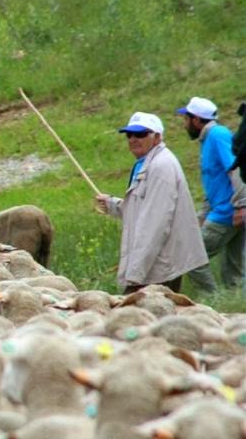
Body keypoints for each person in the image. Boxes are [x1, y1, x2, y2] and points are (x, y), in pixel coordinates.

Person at [94, 112, 208, 294]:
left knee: (135, 318)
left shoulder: (161, 167)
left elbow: (155, 224)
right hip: (153, 264)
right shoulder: (146, 163)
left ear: (157, 137)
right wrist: (112, 204)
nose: (133, 139)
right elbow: (141, 209)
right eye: (129, 135)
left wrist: (136, 274)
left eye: (140, 134)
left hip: (159, 267)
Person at [176, 97, 245, 292]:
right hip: (227, 211)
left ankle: (212, 302)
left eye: (186, 119)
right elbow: (214, 183)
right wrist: (201, 216)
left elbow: (237, 169)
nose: (184, 125)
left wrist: (242, 205)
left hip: (227, 212)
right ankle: (234, 309)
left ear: (196, 120)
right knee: (234, 271)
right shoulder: (208, 140)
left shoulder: (218, 135)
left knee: (190, 256)